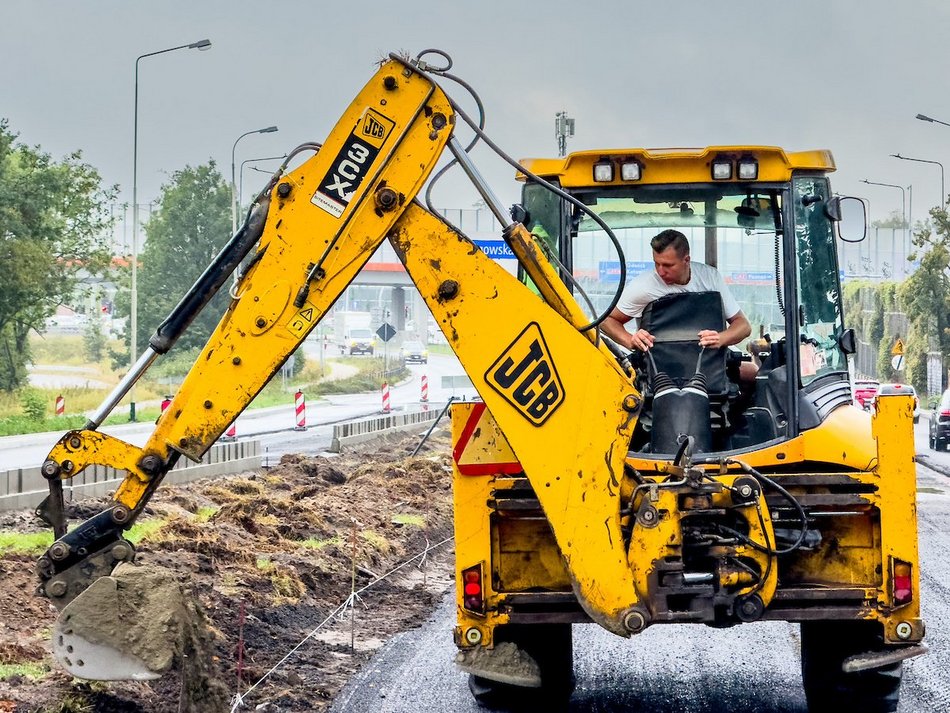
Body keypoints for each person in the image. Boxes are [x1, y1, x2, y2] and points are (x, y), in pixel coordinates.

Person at [600, 229, 752, 353]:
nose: (660, 271)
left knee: (752, 372)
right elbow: (607, 321)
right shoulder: (643, 286)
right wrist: (631, 340)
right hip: (659, 365)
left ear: (686, 260)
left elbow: (743, 326)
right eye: (656, 264)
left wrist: (721, 338)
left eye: (667, 265)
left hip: (708, 361)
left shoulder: (710, 278)